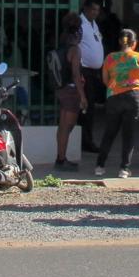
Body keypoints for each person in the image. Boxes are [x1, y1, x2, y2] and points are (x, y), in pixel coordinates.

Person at [94, 28, 139, 177]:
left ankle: (100, 166)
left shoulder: (110, 58)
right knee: (129, 133)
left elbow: (105, 80)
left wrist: (115, 87)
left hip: (114, 96)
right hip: (135, 96)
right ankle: (124, 169)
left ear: (120, 41)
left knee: (110, 132)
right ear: (135, 43)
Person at [48, 17, 87, 171]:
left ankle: (60, 157)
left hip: (61, 89)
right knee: (67, 126)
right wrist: (83, 96)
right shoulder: (75, 49)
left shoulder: (61, 46)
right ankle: (61, 159)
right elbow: (76, 74)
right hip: (71, 91)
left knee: (62, 125)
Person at [74, 0, 107, 158]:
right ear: (86, 8)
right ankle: (86, 141)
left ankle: (87, 140)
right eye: (93, 9)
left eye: (97, 10)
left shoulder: (94, 24)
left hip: (94, 72)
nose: (95, 12)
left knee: (91, 107)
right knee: (86, 108)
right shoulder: (80, 23)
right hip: (84, 71)